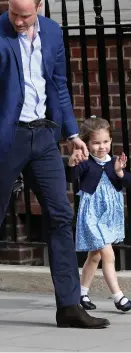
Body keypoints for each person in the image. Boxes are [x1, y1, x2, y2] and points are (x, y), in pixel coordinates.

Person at [0, 0, 110, 329]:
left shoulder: (53, 33)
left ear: (39, 8)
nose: (18, 21)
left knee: (60, 215)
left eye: (25, 15)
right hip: (5, 141)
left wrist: (73, 133)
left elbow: (58, 85)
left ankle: (69, 306)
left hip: (43, 135)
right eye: (13, 12)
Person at [66, 116, 131, 312]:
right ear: (86, 143)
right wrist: (71, 164)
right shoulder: (85, 162)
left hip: (109, 216)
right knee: (108, 255)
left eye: (105, 142)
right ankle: (119, 297)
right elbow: (71, 178)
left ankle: (81, 294)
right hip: (92, 215)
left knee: (94, 256)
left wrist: (120, 173)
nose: (101, 147)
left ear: (111, 141)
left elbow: (126, 183)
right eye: (95, 142)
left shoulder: (114, 162)